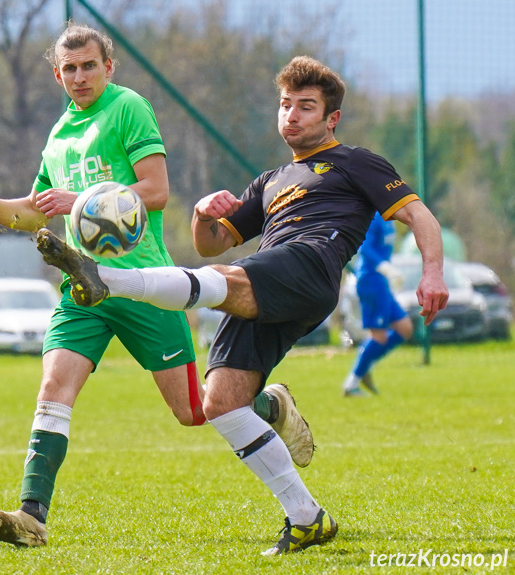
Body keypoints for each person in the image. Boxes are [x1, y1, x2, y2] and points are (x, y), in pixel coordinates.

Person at [36, 55, 450, 555]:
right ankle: (307, 516)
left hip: (310, 265)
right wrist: (201, 214)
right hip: (267, 278)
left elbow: (419, 215)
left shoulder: (356, 162)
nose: (292, 115)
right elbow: (212, 245)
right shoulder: (271, 180)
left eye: (306, 107)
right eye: (285, 105)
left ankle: (108, 279)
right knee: (220, 403)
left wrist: (432, 272)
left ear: (331, 118)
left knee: (219, 281)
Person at [0, 23, 312, 548]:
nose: (79, 77)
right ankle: (32, 516)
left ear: (108, 67)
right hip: (83, 287)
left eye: (89, 66)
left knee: (196, 410)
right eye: (69, 69)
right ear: (57, 74)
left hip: (144, 286)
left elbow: (157, 191)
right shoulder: (58, 136)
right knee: (53, 389)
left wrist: (83, 201)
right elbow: (33, 213)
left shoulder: (127, 109)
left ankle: (271, 406)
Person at [341, 212, 413, 396]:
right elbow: (364, 247)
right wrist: (384, 267)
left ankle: (365, 365)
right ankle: (352, 383)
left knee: (404, 328)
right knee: (378, 336)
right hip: (370, 279)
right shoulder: (372, 216)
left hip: (381, 281)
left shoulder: (387, 216)